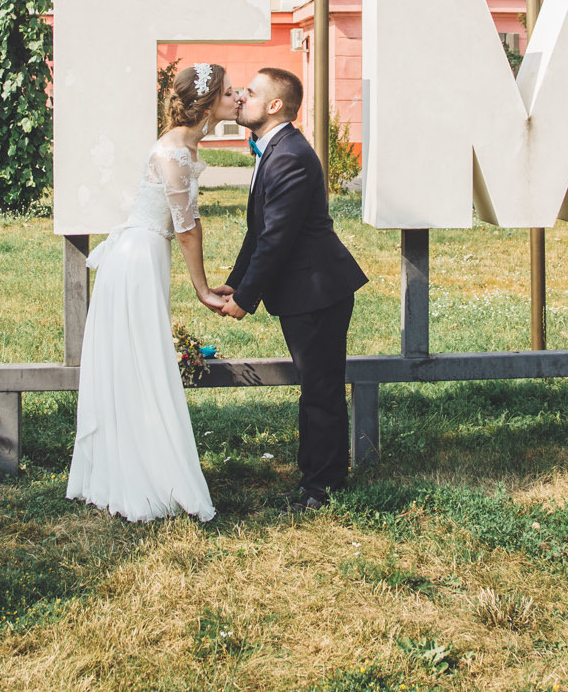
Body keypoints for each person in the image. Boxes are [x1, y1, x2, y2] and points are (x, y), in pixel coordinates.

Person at [65, 63, 237, 522]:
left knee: (138, 361)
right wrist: (201, 289)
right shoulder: (174, 152)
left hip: (143, 254)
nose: (235, 97)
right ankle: (145, 477)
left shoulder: (182, 145)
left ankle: (136, 464)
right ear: (207, 104)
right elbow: (187, 229)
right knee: (142, 362)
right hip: (138, 261)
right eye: (228, 92)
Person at [214, 67, 369, 513]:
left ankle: (324, 488)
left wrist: (245, 300)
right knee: (314, 385)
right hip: (307, 289)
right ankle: (315, 477)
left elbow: (276, 238)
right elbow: (258, 228)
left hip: (318, 290)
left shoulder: (289, 155)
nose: (241, 97)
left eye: (251, 92)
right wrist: (238, 281)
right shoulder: (274, 148)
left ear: (275, 106)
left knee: (321, 388)